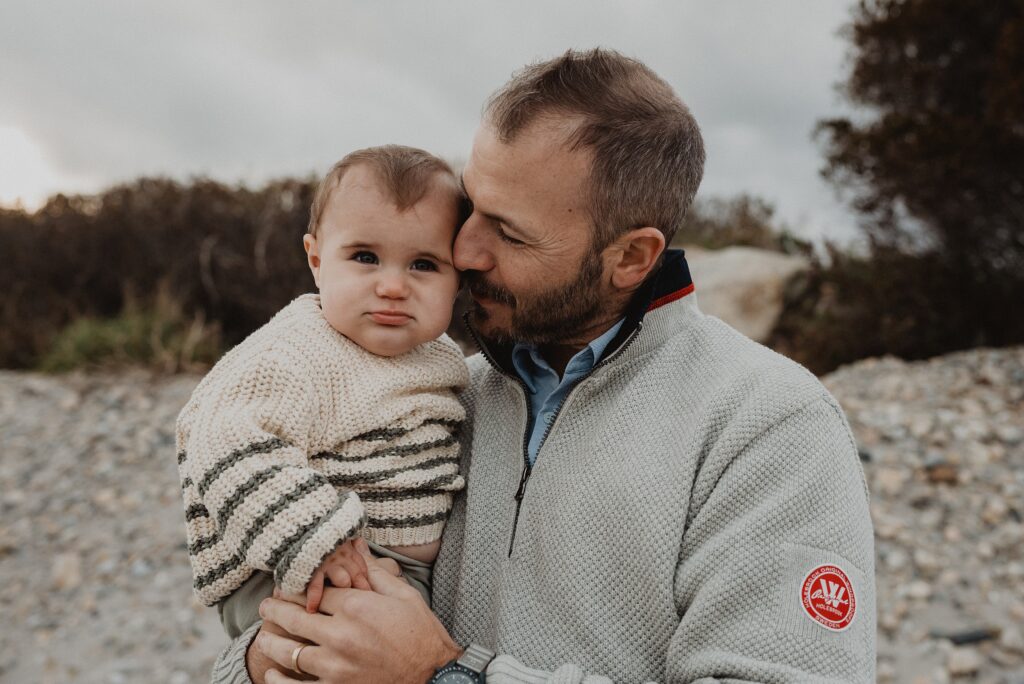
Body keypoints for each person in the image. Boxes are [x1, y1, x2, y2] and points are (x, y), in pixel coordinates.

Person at [213, 48, 876, 683]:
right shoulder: (440, 391)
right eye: (472, 207)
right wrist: (263, 663)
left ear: (630, 258)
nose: (464, 251)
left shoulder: (770, 424)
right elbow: (268, 637)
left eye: (509, 232)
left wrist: (442, 675)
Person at [176, 145, 470, 644]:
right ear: (316, 260)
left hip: (388, 572)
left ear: (458, 279)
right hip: (296, 565)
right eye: (365, 257)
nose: (393, 286)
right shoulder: (294, 353)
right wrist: (319, 538)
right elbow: (222, 442)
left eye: (423, 264)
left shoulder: (441, 357)